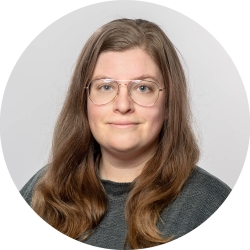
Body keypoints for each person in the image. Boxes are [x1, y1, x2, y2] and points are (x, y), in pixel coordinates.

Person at [20, 18, 231, 249]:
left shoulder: (212, 207)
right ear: (84, 101)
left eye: (142, 88)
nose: (122, 105)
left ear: (169, 104)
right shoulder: (41, 192)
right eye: (106, 86)